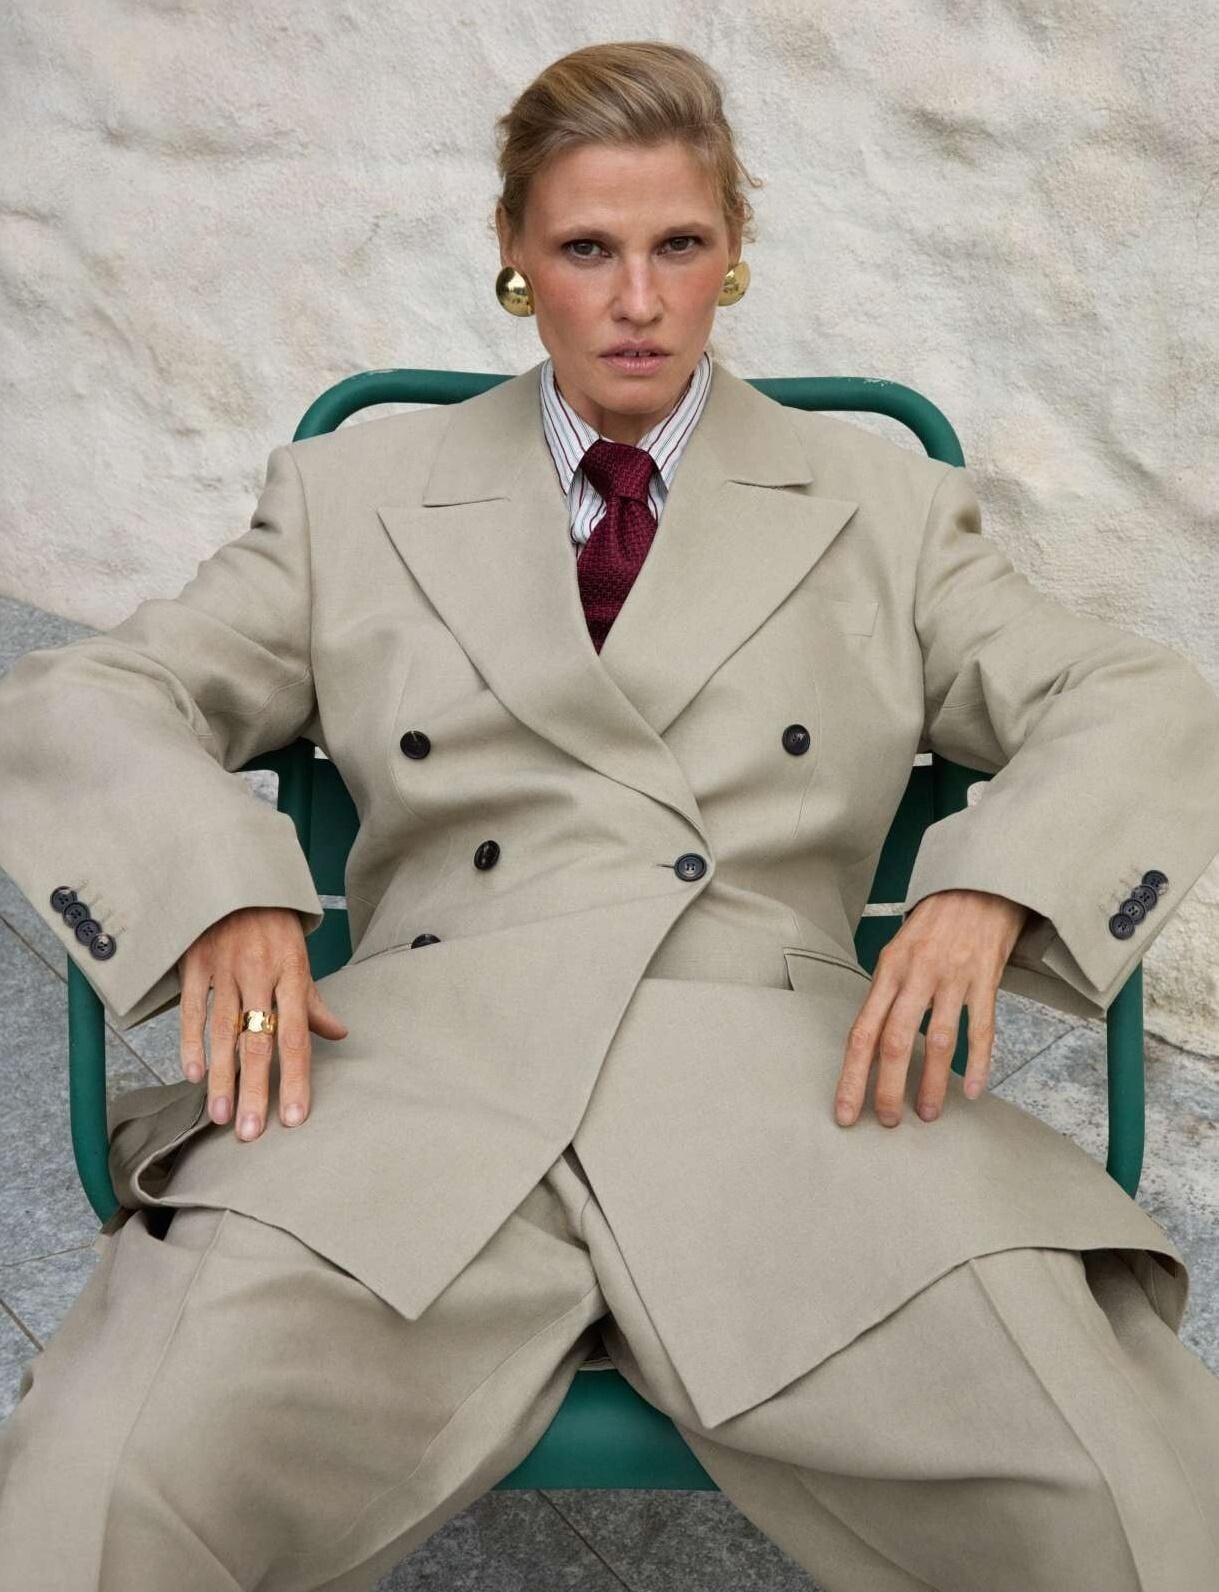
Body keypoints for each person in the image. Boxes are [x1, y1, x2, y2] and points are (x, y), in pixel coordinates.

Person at [1, 38, 1218, 1592]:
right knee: (97, 1501)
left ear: (734, 254)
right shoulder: (351, 497)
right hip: (414, 1101)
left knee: (1138, 1512)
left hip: (804, 1102)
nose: (638, 300)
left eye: (678, 246)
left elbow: (1135, 698)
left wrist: (992, 888)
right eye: (587, 249)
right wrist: (219, 889)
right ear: (515, 255)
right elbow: (84, 697)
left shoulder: (883, 506)